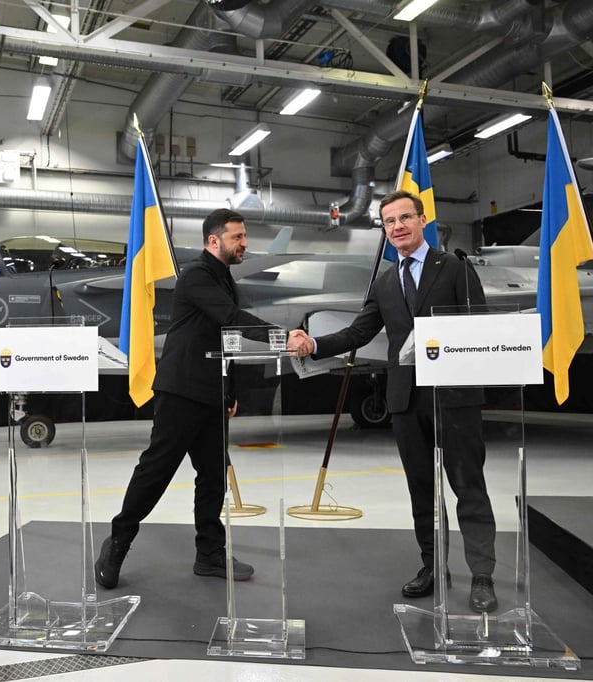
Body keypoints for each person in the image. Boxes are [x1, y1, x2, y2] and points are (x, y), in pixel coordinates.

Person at [286, 190, 498, 613]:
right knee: (421, 489)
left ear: (422, 221)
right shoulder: (384, 281)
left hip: (453, 397)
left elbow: (478, 327)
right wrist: (314, 344)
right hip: (405, 400)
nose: (398, 226)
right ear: (384, 230)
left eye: (405, 218)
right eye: (390, 222)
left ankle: (482, 576)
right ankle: (433, 567)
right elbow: (358, 333)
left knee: (468, 486)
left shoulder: (454, 268)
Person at [95, 208, 276, 589]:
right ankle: (117, 544)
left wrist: (231, 392)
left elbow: (225, 341)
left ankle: (210, 555)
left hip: (212, 395)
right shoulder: (196, 276)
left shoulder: (224, 279)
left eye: (244, 237)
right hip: (180, 393)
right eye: (237, 237)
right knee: (156, 473)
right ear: (214, 241)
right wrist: (284, 336)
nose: (245, 243)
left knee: (213, 479)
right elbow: (231, 318)